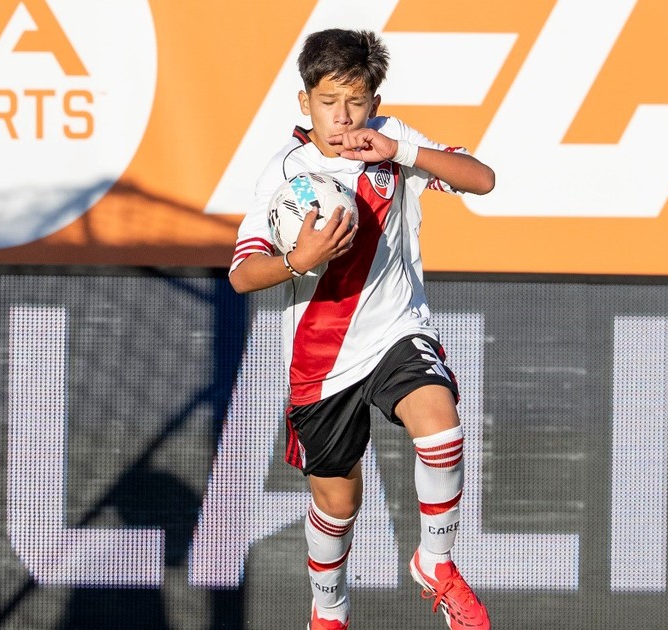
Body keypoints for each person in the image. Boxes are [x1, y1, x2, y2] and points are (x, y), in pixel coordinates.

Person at [228, 28, 495, 630]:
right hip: (322, 360)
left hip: (396, 330)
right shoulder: (286, 172)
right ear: (305, 102)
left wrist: (403, 152)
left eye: (356, 101)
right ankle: (329, 610)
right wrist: (299, 258)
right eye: (329, 102)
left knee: (441, 423)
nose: (343, 117)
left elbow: (482, 179)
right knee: (337, 504)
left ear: (374, 101)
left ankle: (436, 562)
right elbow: (242, 275)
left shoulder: (392, 141)